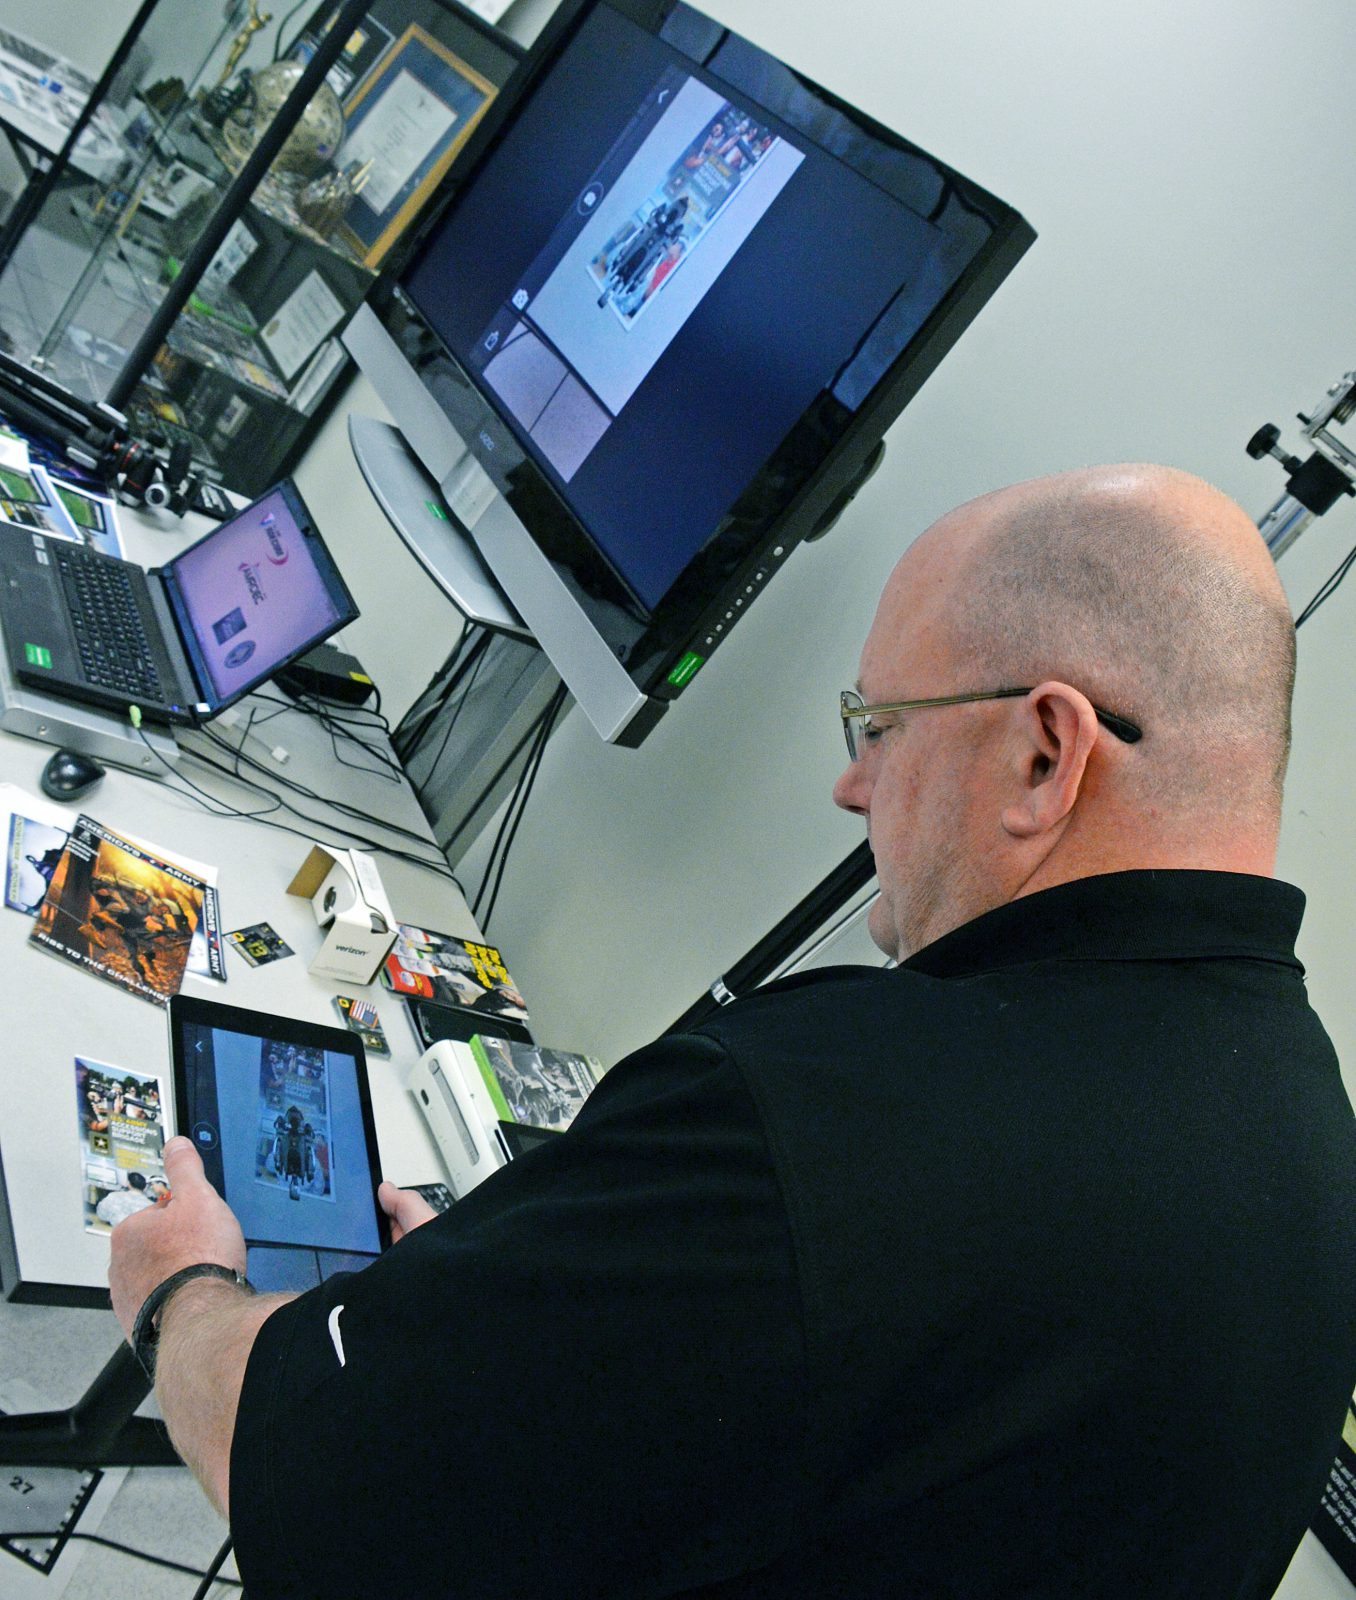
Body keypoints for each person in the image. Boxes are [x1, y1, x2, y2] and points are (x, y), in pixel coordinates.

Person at [109, 464, 1356, 1599]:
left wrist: (182, 1293)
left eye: (880, 727)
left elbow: (315, 1480)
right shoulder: (1312, 1154)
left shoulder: (824, 1117)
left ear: (1042, 754)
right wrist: (508, 1316)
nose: (851, 784)